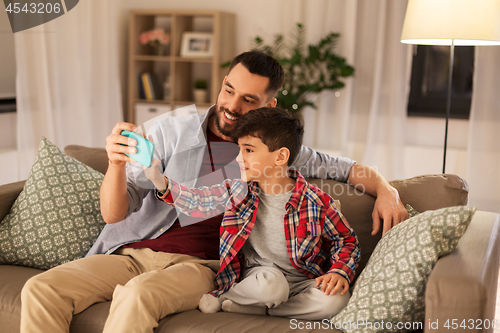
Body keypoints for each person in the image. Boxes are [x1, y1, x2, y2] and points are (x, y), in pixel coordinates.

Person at [20, 51, 407, 333]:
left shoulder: (272, 154)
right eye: (228, 90)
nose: (232, 106)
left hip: (200, 268)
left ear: (269, 106)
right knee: (41, 288)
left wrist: (386, 189)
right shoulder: (169, 132)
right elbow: (114, 214)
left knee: (138, 296)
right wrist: (118, 165)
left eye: (249, 100)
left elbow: (348, 169)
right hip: (130, 252)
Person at [144, 107, 361, 320]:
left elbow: (345, 240)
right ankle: (225, 298)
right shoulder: (238, 190)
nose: (239, 158)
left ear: (280, 157)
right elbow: (198, 201)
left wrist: (339, 271)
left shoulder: (317, 201)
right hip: (261, 278)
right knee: (272, 286)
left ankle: (263, 310)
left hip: (303, 279)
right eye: (239, 150)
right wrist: (158, 180)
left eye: (248, 150)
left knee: (336, 301)